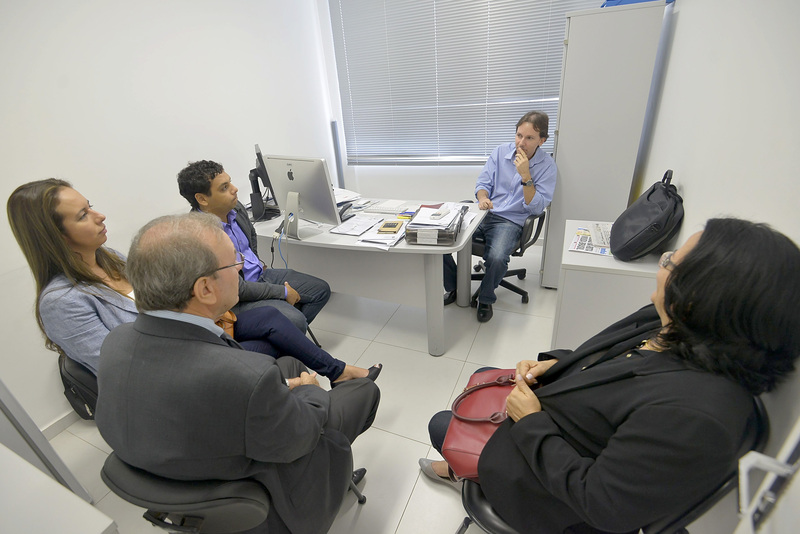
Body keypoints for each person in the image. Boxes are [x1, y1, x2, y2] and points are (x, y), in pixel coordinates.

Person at [422, 218, 800, 533]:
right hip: (553, 425)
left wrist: (531, 422)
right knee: (482, 374)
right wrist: (557, 364)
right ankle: (466, 468)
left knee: (441, 424)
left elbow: (602, 504)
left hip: (546, 489)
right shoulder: (670, 324)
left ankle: (465, 473)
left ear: (698, 298)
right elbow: (612, 364)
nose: (662, 263)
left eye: (671, 262)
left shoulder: (695, 416)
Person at [95, 212, 380, 534]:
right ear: (205, 288)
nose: (241, 269)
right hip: (261, 492)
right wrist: (309, 390)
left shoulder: (115, 341)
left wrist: (277, 389)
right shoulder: (244, 375)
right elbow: (300, 437)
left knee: (288, 363)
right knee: (363, 391)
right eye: (233, 263)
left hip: (189, 464)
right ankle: (330, 474)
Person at [6, 179, 378, 384]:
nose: (100, 216)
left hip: (193, 332)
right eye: (83, 215)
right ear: (53, 235)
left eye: (90, 205)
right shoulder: (62, 302)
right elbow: (119, 370)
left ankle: (337, 372)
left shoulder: (112, 258)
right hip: (173, 363)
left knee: (272, 320)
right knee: (269, 351)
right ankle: (289, 397)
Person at [177, 159, 330, 334]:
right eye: (224, 188)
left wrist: (256, 261)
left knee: (320, 291)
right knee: (295, 320)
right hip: (236, 298)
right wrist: (282, 292)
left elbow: (252, 236)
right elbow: (237, 288)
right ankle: (284, 332)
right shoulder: (199, 237)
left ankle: (283, 336)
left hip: (260, 276)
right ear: (202, 199)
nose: (234, 189)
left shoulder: (235, 207)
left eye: (230, 182)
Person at [444, 111, 557, 323]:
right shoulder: (500, 152)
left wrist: (526, 175)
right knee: (442, 238)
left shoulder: (548, 167)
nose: (521, 143)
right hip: (484, 213)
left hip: (511, 221)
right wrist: (483, 198)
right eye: (519, 135)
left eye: (529, 138)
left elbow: (537, 207)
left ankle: (485, 299)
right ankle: (454, 287)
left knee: (496, 257)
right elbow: (482, 184)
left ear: (541, 141)